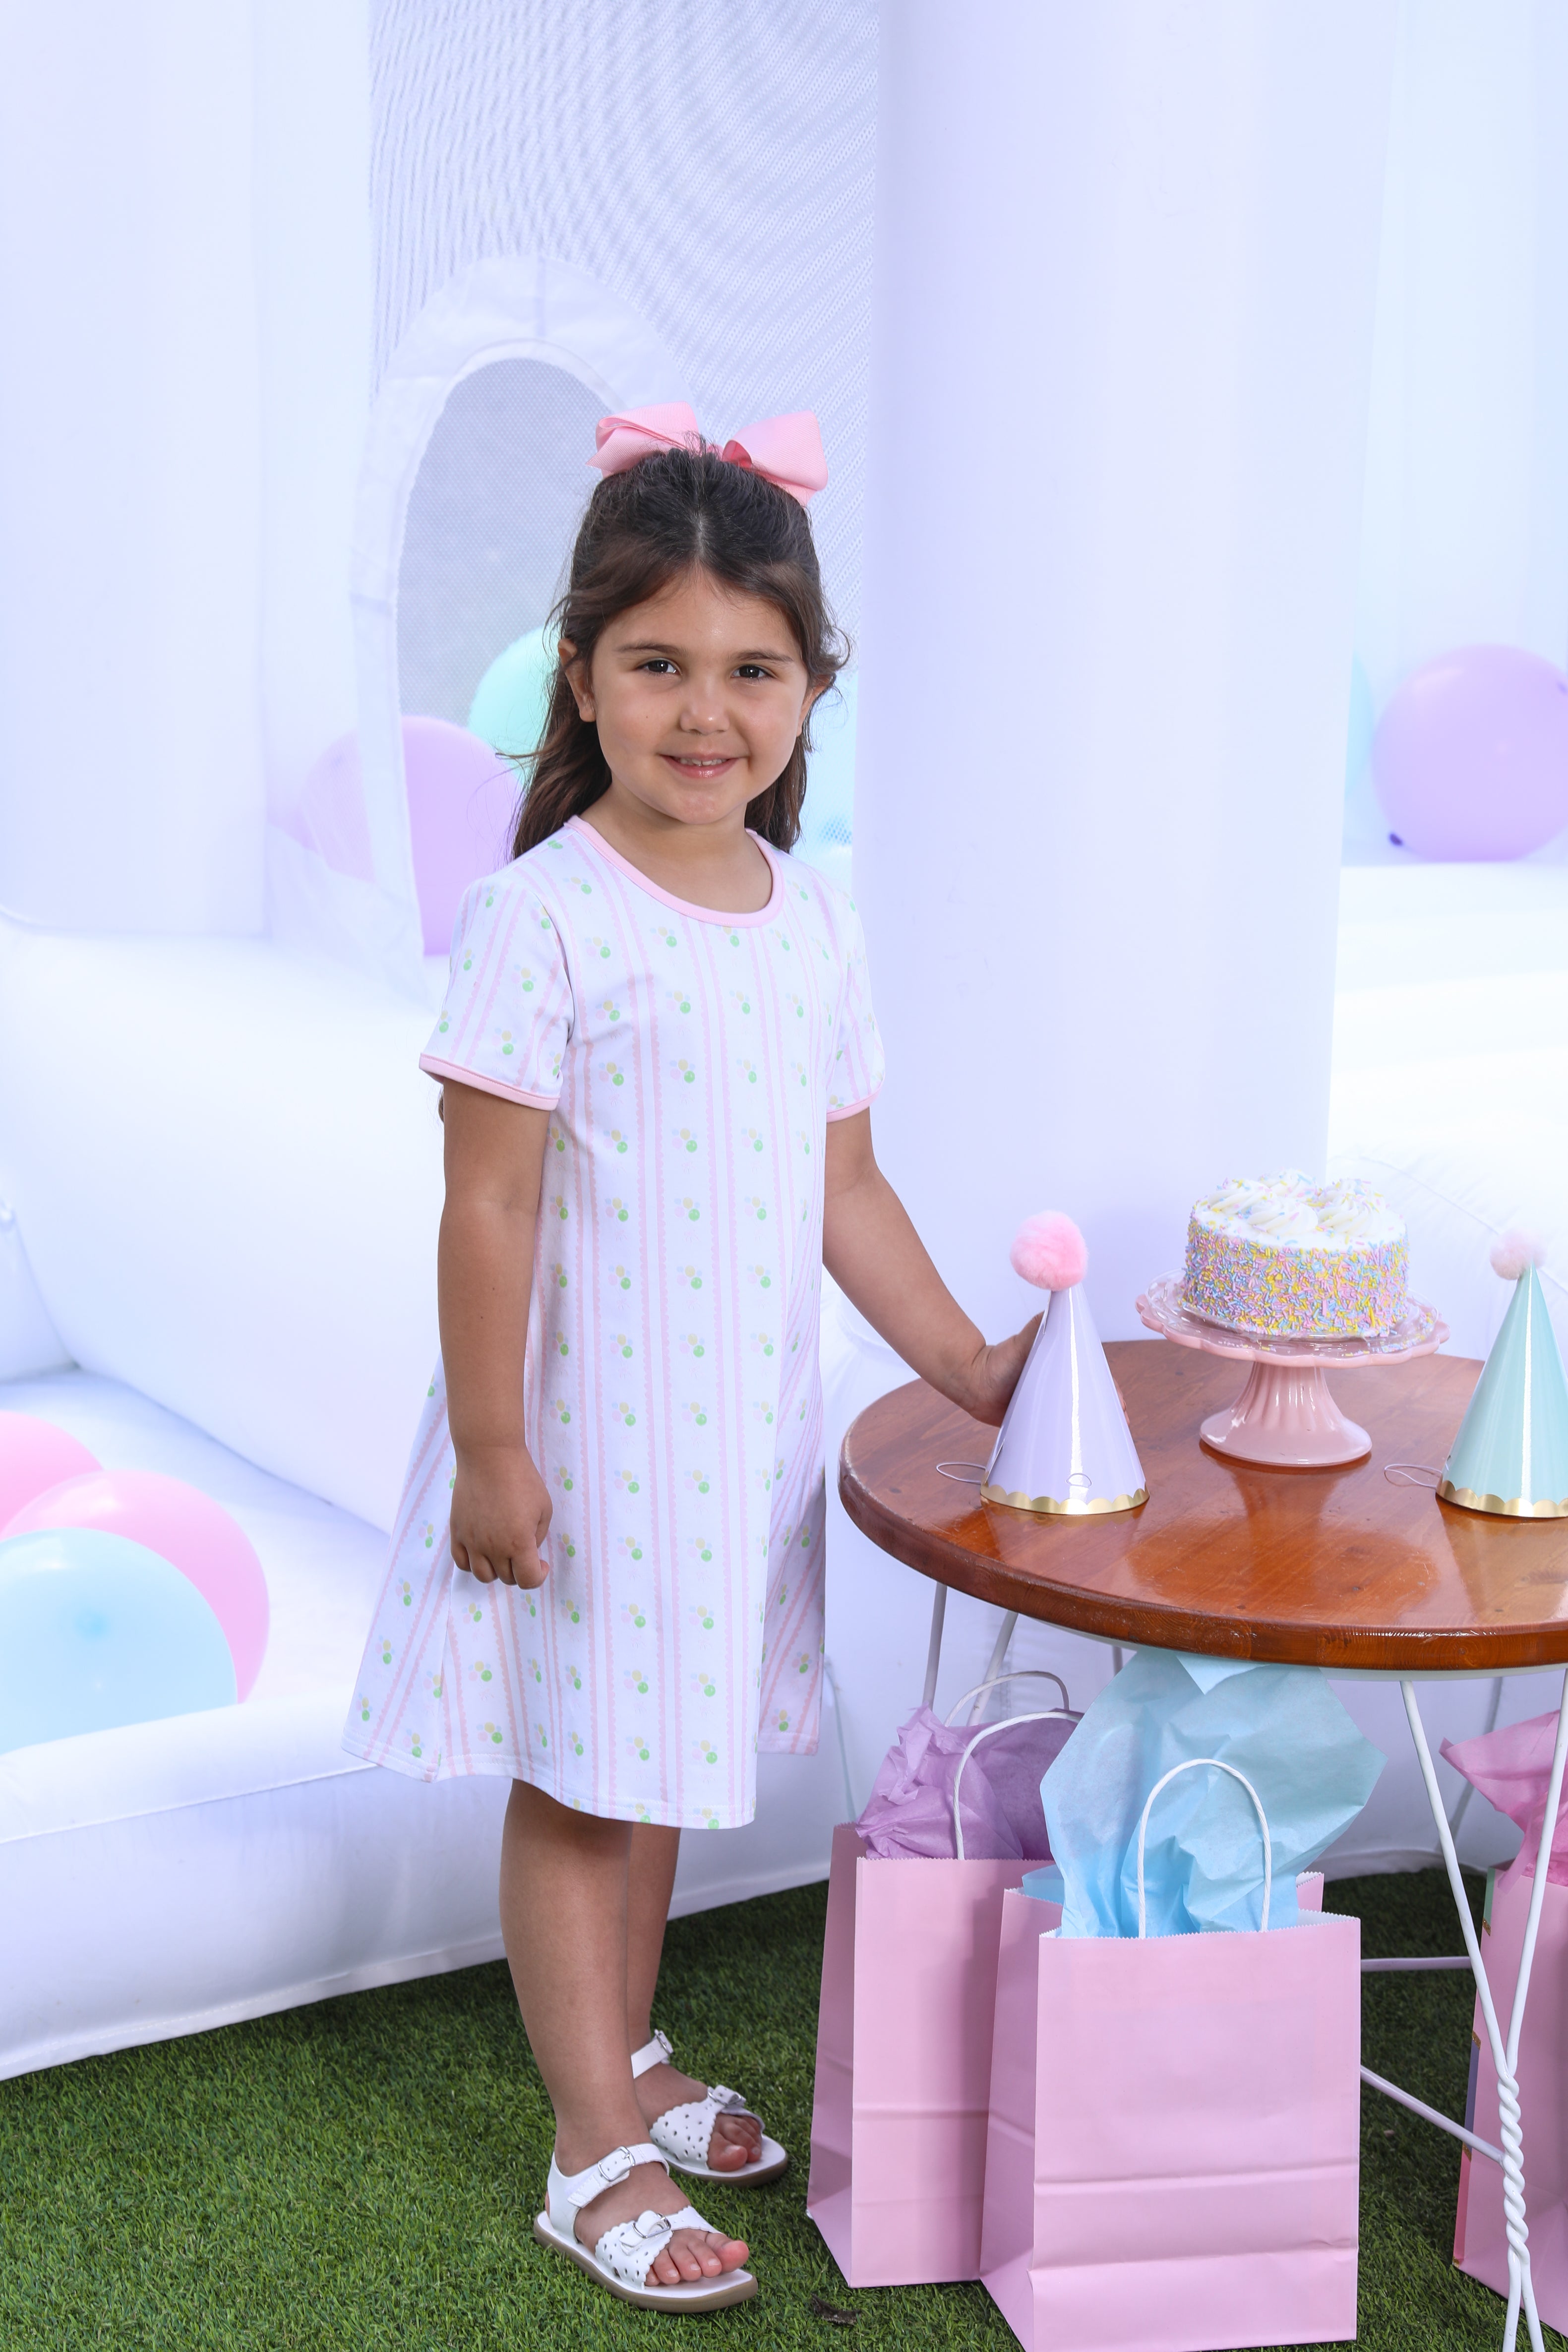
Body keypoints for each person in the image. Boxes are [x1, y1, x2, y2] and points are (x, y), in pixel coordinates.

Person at [343, 404, 1037, 2312]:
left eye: (752, 669)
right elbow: (488, 1204)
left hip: (733, 1450)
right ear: (579, 676)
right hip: (580, 1446)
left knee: (650, 1765)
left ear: (813, 689)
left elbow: (845, 1189)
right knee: (585, 1787)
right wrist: (496, 1449)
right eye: (656, 664)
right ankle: (591, 2153)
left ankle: (629, 2055)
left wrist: (968, 1369)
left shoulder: (811, 924)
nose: (704, 710)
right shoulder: (541, 917)